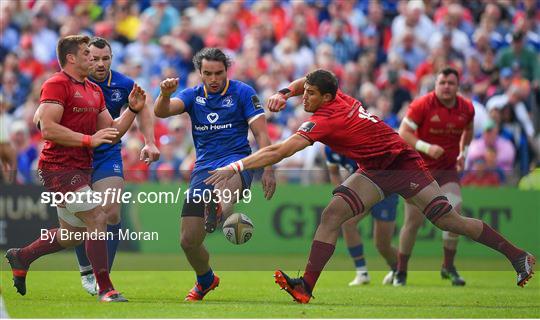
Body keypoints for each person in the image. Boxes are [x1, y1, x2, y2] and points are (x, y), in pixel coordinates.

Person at [206, 69, 535, 304]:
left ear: (327, 98)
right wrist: (284, 92)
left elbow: (280, 150)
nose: (304, 96)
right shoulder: (335, 97)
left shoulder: (324, 119)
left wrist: (235, 165)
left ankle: (518, 256)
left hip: (402, 163)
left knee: (448, 220)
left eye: (309, 94)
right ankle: (306, 286)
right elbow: (307, 78)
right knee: (333, 214)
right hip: (374, 169)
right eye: (303, 92)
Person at [5, 35, 147, 302]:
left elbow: (111, 133)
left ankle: (22, 256)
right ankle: (105, 288)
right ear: (71, 58)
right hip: (58, 168)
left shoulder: (93, 90)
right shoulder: (56, 84)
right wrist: (87, 140)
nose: (92, 58)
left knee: (73, 235)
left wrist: (132, 111)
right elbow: (47, 127)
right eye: (86, 53)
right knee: (97, 217)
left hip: (81, 168)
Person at [153, 47, 276, 301]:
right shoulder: (193, 96)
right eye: (207, 73)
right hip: (203, 169)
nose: (213, 79)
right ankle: (206, 279)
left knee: (225, 183)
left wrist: (268, 168)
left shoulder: (243, 92)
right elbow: (161, 112)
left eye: (218, 73)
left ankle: (218, 207)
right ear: (200, 73)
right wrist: (164, 94)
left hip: (238, 162)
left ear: (226, 71)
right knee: (188, 240)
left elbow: (262, 135)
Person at [73, 36, 161, 296]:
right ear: (86, 58)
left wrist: (150, 141)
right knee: (83, 216)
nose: (100, 64)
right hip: (77, 154)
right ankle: (86, 268)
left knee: (111, 211)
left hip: (107, 153)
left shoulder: (122, 84)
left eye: (106, 58)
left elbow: (143, 106)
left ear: (112, 58)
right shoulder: (73, 82)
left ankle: (104, 279)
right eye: (95, 58)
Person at [396, 67, 473, 286]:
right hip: (419, 170)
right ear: (436, 85)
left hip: (448, 170)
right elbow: (403, 133)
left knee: (455, 212)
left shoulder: (466, 108)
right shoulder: (422, 105)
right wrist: (427, 148)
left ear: (457, 86)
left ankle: (448, 267)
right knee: (413, 221)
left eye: (451, 83)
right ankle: (401, 271)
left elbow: (469, 131)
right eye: (442, 83)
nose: (446, 86)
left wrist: (463, 154)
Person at [325, 147, 399, 286]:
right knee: (348, 222)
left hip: (385, 188)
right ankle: (361, 272)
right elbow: (333, 172)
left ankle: (398, 269)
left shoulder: (357, 138)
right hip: (362, 190)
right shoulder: (329, 148)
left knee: (382, 244)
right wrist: (340, 192)